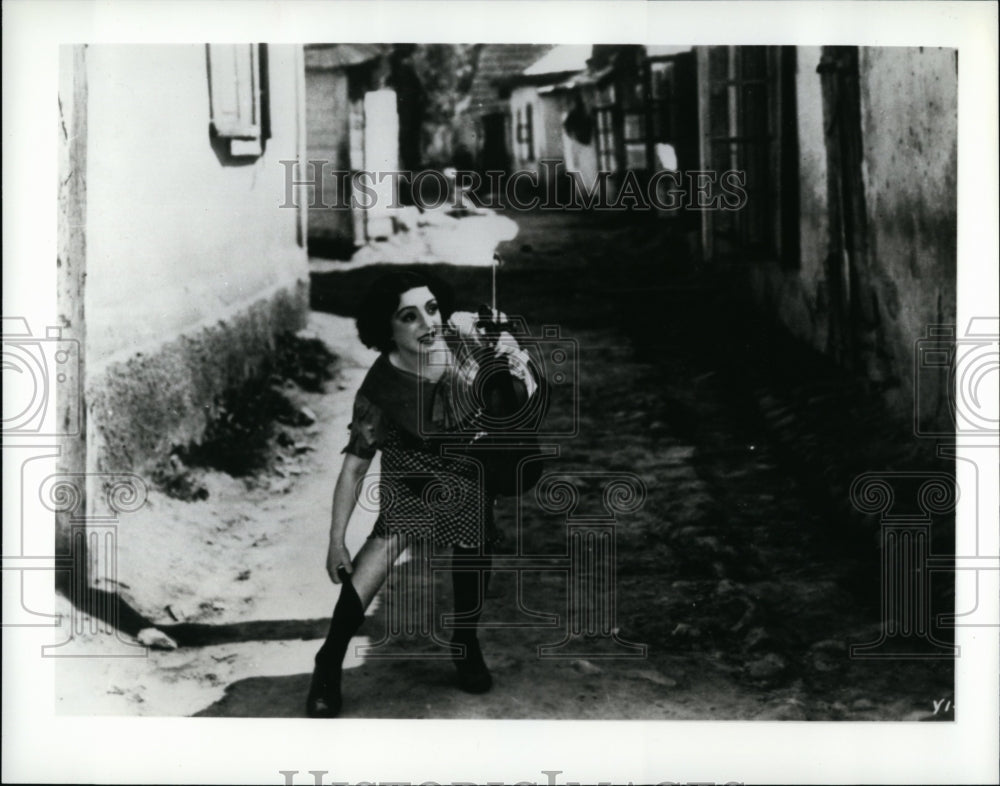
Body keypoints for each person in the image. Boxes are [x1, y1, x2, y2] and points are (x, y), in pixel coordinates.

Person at [306, 269, 539, 718]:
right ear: (386, 329)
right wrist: (336, 540)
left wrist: (516, 358)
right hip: (411, 470)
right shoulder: (379, 389)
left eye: (431, 309)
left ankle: (465, 642)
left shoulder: (465, 339)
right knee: (378, 553)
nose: (427, 324)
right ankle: (328, 662)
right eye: (408, 317)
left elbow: (518, 401)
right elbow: (354, 468)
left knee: (473, 538)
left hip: (466, 466)